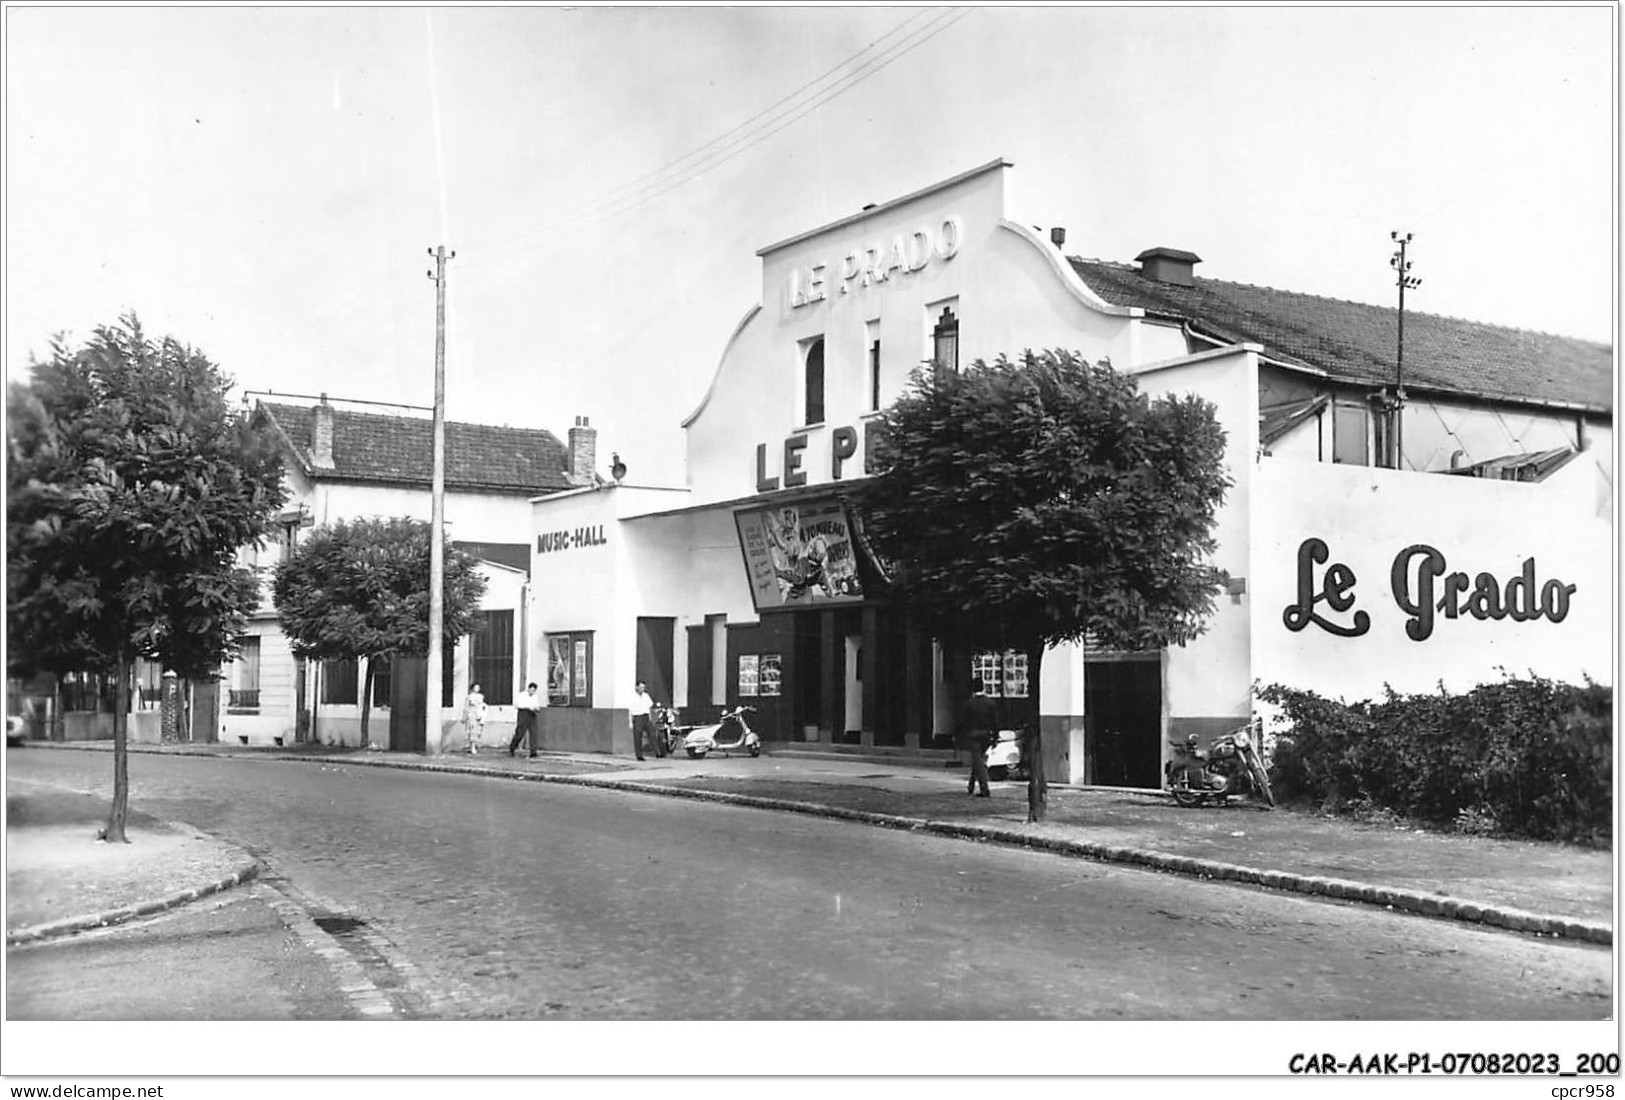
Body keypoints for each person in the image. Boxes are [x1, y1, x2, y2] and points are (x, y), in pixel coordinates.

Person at [961, 677, 1000, 797]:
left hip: (973, 734)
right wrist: (995, 736)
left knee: (978, 761)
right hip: (986, 735)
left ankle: (984, 788)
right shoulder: (990, 703)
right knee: (978, 760)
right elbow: (995, 721)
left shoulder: (969, 703)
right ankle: (971, 785)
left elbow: (964, 721)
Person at [509, 682, 540, 758]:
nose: (532, 692)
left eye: (534, 691)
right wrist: (527, 706)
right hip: (523, 713)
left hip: (532, 714)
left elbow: (537, 706)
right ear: (528, 689)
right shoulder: (521, 695)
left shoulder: (535, 697)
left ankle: (533, 751)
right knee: (520, 733)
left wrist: (536, 708)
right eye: (531, 690)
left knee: (533, 733)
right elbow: (516, 705)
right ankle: (513, 746)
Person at [630, 680, 655, 762]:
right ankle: (639, 755)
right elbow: (630, 709)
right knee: (638, 737)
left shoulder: (646, 696)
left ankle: (657, 752)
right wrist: (630, 721)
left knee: (652, 734)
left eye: (643, 687)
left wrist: (650, 717)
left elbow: (649, 706)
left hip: (645, 716)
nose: (642, 689)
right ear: (636, 687)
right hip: (637, 716)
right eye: (640, 687)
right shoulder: (632, 696)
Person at [462, 684, 487, 755]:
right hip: (471, 714)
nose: (477, 689)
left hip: (478, 714)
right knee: (471, 730)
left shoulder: (481, 696)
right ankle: (472, 746)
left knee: (477, 730)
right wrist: (464, 716)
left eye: (478, 687)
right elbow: (466, 707)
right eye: (476, 687)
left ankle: (474, 744)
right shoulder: (469, 697)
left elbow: (482, 706)